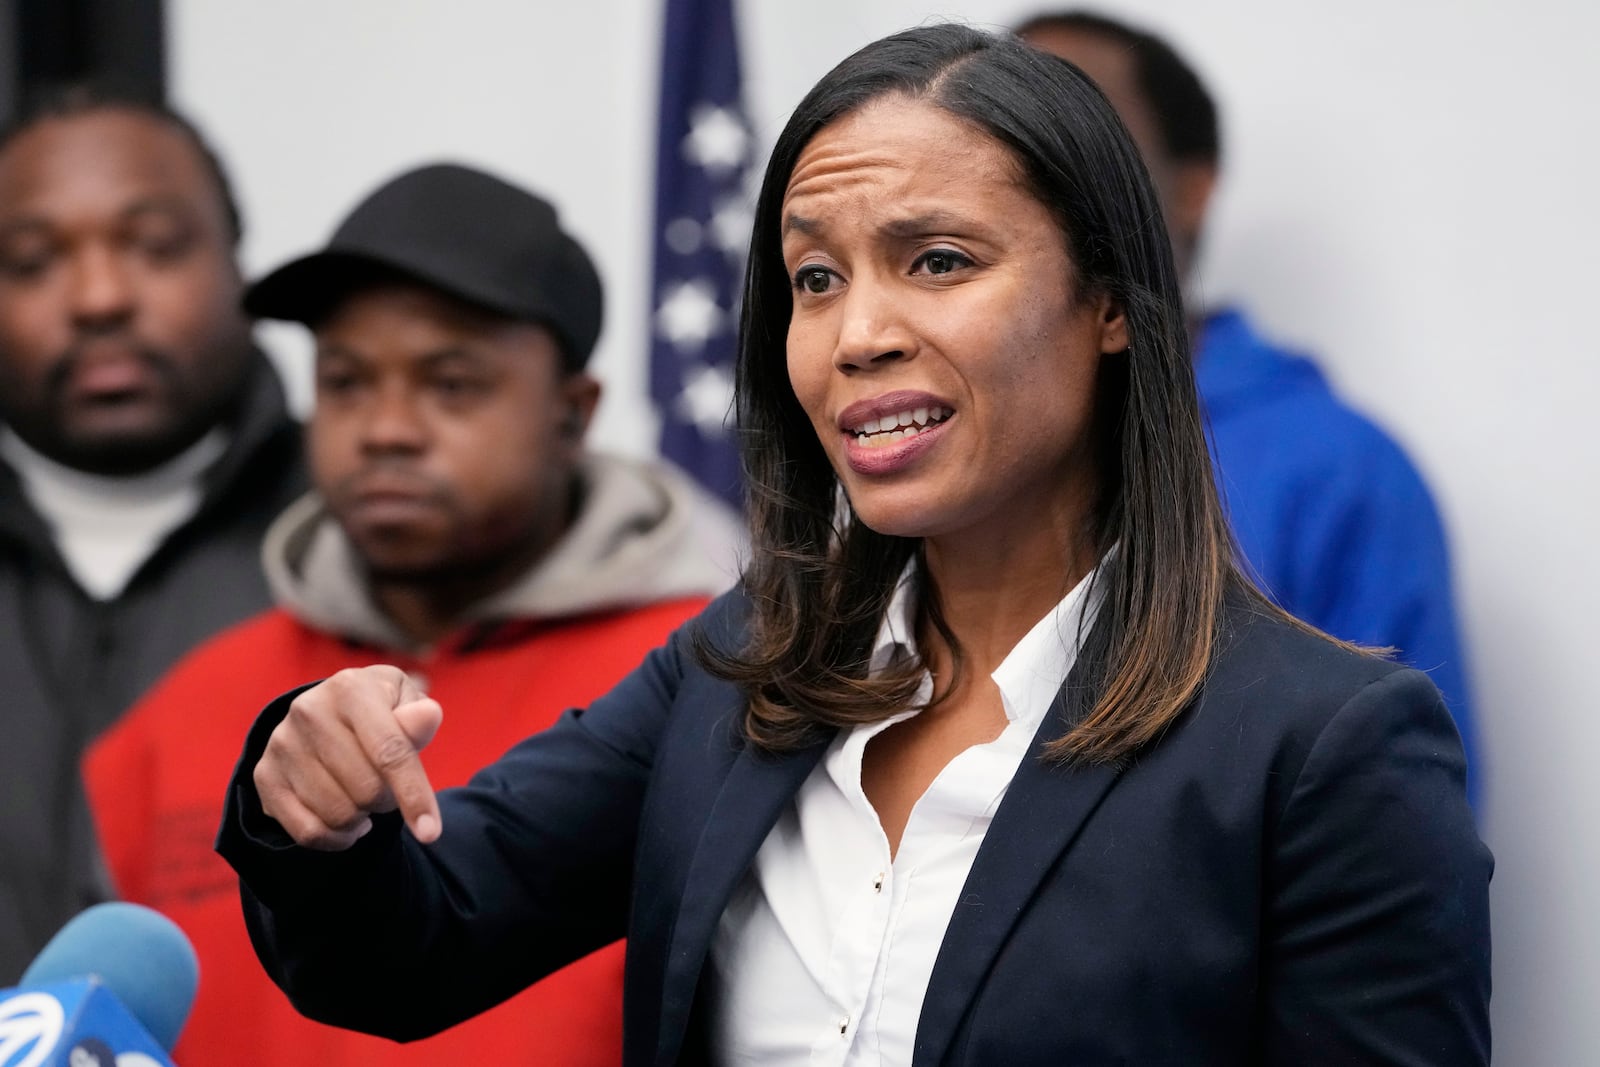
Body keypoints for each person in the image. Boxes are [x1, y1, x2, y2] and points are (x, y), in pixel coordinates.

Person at [215, 25, 1491, 1065]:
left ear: (1109, 304)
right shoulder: (739, 668)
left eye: (935, 260)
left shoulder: (1326, 745)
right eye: (813, 278)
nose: (854, 332)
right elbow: (413, 946)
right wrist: (322, 805)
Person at [83, 163, 734, 1065]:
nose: (387, 427)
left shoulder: (708, 685)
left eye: (450, 383)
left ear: (571, 412)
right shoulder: (188, 702)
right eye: (346, 381)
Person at [1016, 10, 1481, 803]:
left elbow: (1405, 824)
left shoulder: (1340, 469)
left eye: (1084, 134)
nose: (1036, 173)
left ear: (1190, 190)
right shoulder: (940, 446)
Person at [0, 86, 306, 981]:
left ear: (237, 264)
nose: (100, 297)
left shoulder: (360, 543)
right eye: (30, 260)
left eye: (154, 246)